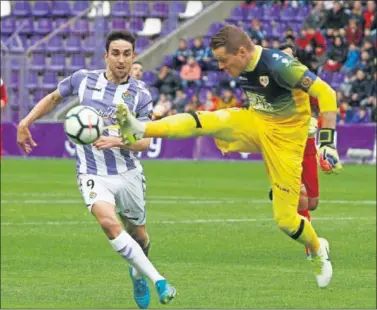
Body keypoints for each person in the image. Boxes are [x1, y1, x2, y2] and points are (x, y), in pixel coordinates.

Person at [116, 25, 343, 289]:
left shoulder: (279, 64)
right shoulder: (244, 65)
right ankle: (141, 127)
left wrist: (327, 142)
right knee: (208, 120)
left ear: (243, 52)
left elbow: (326, 93)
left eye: (224, 60)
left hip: (287, 142)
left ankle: (317, 249)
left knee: (286, 221)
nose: (221, 66)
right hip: (256, 122)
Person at [16, 30, 176, 309]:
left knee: (139, 236)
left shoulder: (139, 94)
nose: (121, 59)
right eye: (116, 53)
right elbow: (54, 98)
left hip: (128, 174)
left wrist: (116, 140)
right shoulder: (84, 80)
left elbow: (146, 142)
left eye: (127, 54)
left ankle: (137, 272)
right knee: (108, 222)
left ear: (134, 57)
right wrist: (25, 122)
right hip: (92, 173)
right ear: (106, 56)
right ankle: (158, 280)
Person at [268, 42, 321, 259]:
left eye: (289, 57)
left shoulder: (306, 81)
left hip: (307, 149)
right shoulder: (270, 84)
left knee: (313, 202)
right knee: (301, 197)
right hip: (285, 149)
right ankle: (310, 245)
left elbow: (323, 103)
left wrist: (316, 119)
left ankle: (279, 192)